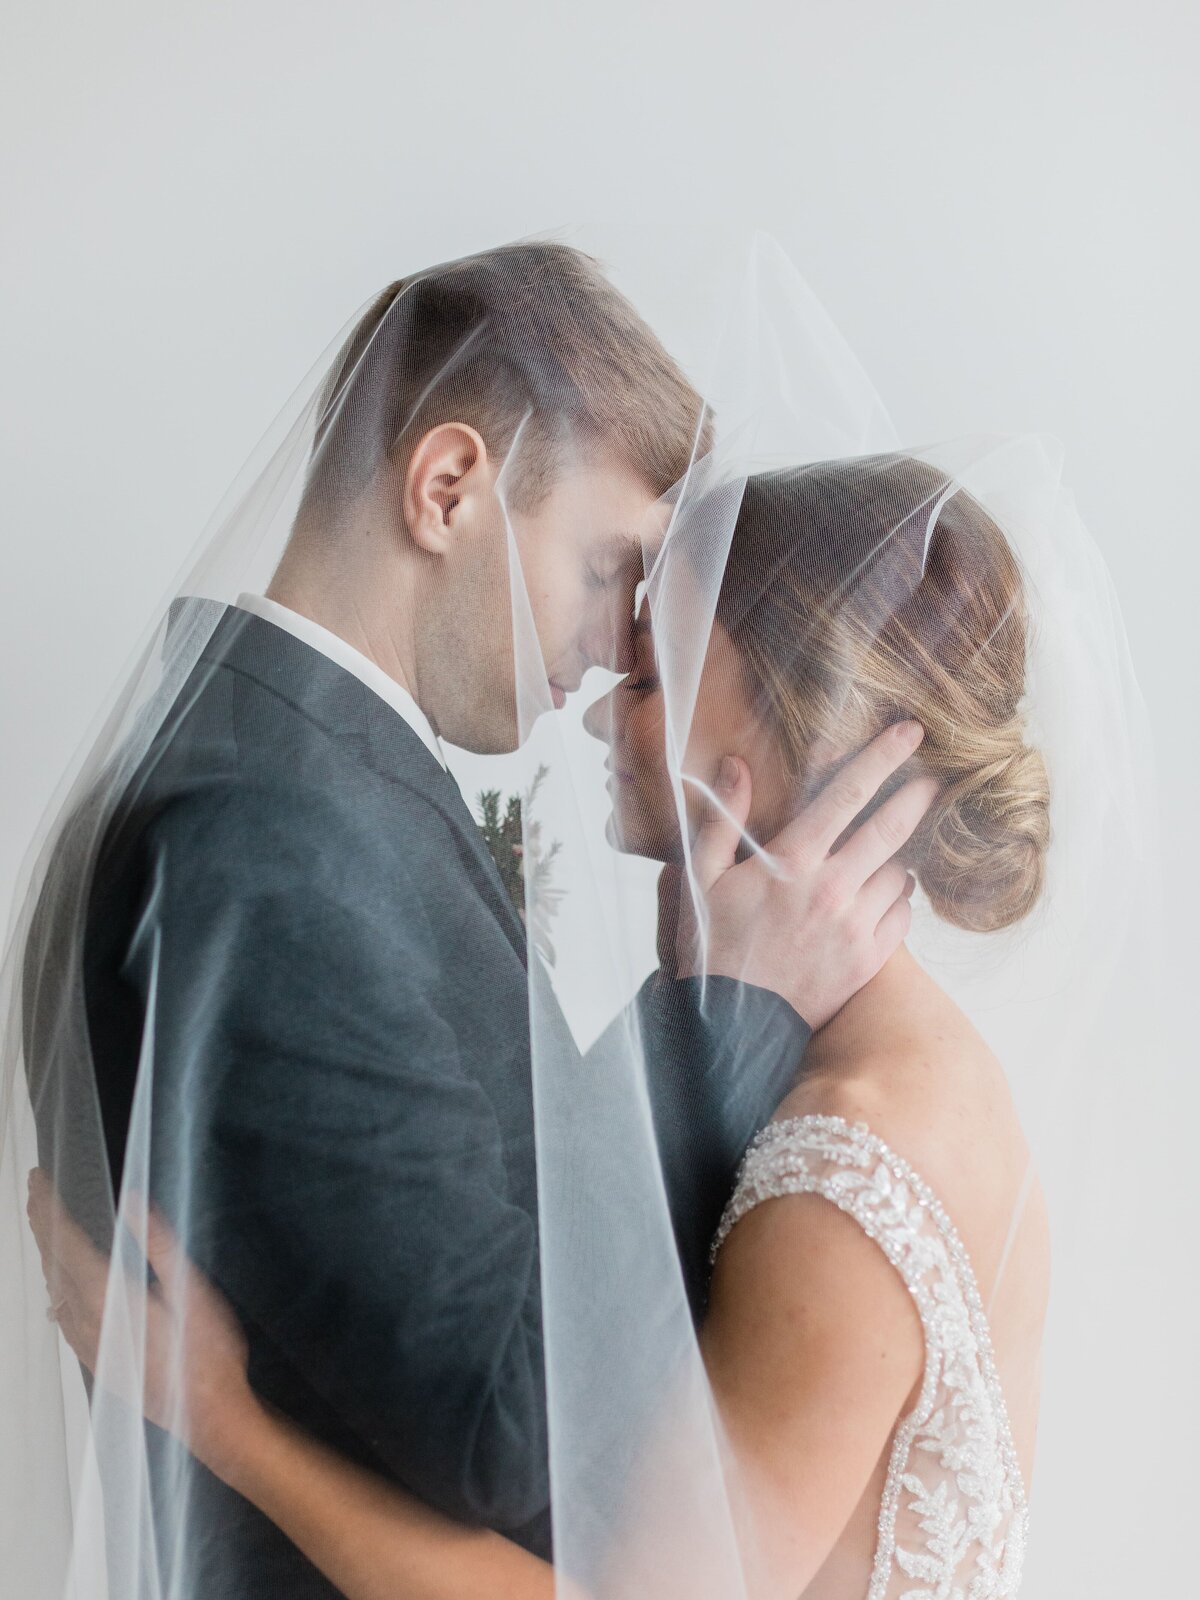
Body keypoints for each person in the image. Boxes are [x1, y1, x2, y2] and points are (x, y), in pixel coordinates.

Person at [19, 246, 927, 1598]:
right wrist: (731, 1006)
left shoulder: (305, 774)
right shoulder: (270, 839)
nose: (623, 650)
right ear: (448, 488)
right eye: (606, 569)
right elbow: (519, 1436)